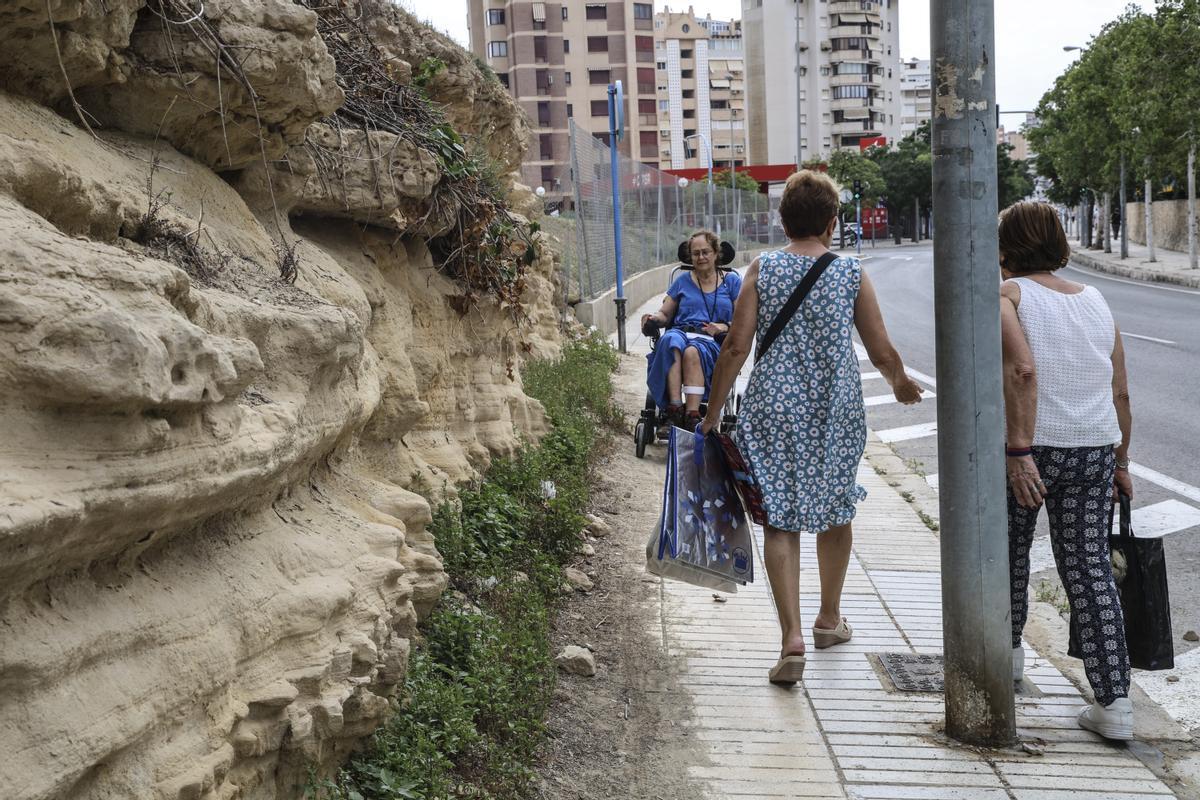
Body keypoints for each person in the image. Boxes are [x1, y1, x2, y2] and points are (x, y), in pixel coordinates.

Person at [701, 171, 923, 685]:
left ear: (783, 221)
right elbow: (879, 346)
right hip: (835, 409)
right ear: (831, 222)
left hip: (773, 409)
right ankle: (829, 618)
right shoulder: (850, 274)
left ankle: (791, 638)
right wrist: (899, 382)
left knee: (780, 518)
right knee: (834, 505)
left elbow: (735, 347)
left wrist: (712, 414)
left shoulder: (763, 268)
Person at [999, 201, 1135, 740]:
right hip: (1096, 448)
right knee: (1089, 568)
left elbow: (1023, 370)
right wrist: (1121, 461)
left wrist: (1018, 450)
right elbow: (1120, 389)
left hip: (1035, 448)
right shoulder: (1098, 301)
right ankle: (1114, 703)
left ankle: (1006, 662)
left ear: (1006, 248)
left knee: (1009, 552)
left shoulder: (1009, 296)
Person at [643, 231, 742, 428]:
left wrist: (725, 326)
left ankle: (693, 414)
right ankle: (674, 409)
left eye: (705, 252)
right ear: (690, 256)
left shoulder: (732, 282)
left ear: (716, 253)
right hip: (681, 332)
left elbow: (742, 318)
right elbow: (665, 314)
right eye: (696, 253)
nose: (701, 257)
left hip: (713, 339)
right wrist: (654, 319)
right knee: (670, 341)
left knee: (692, 351)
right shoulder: (682, 281)